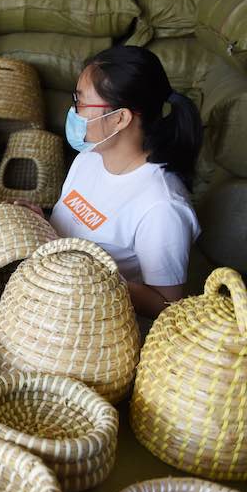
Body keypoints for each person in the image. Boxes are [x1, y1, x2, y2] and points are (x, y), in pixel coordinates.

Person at [22, 45, 201, 320]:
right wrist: (42, 223)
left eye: (80, 102)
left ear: (120, 118)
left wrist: (94, 280)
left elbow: (167, 305)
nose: (74, 111)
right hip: (54, 301)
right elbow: (74, 232)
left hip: (100, 327)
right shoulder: (88, 158)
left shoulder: (161, 207)